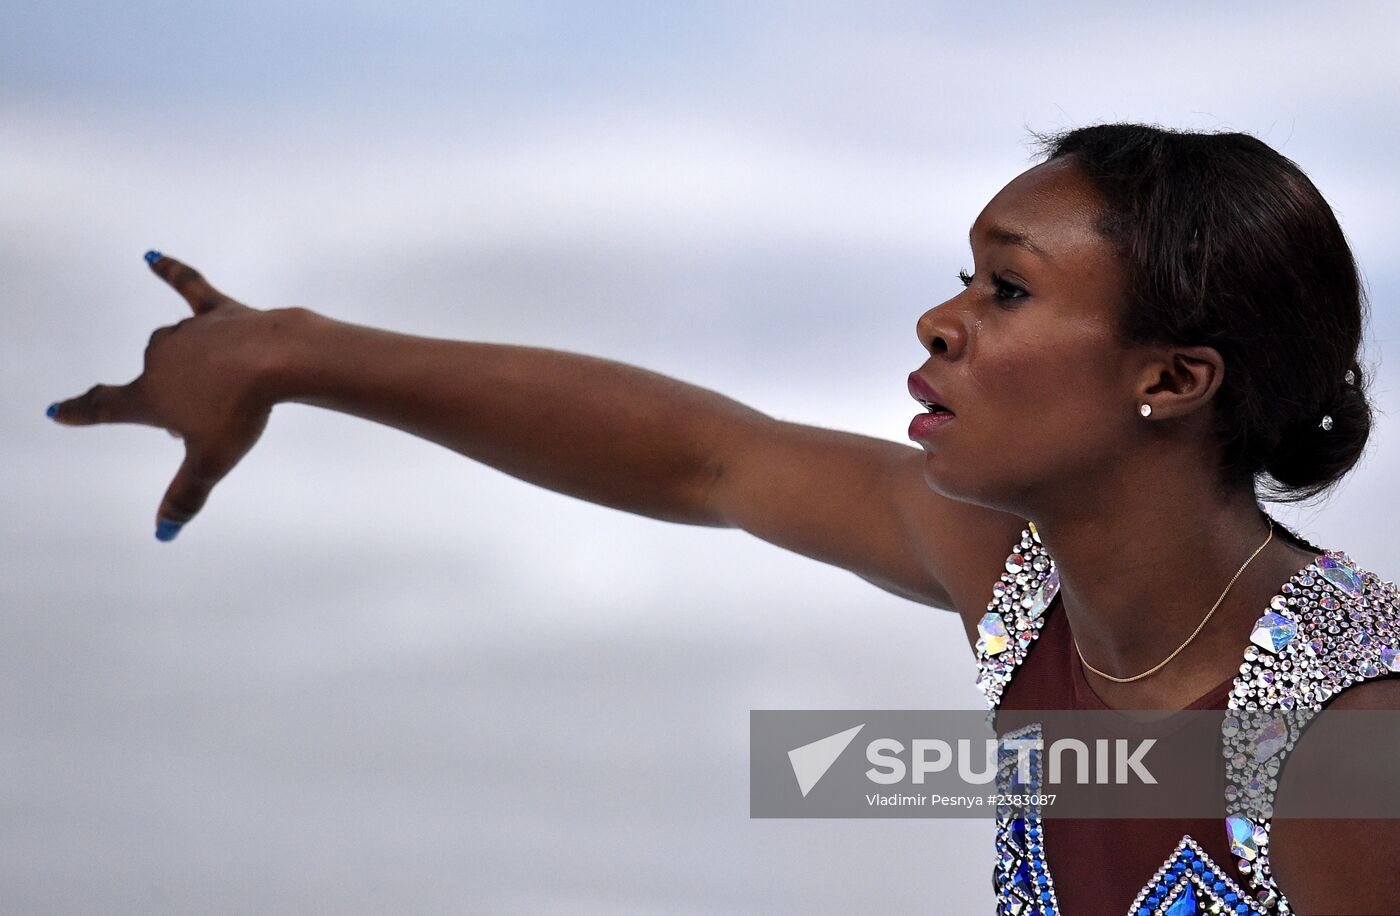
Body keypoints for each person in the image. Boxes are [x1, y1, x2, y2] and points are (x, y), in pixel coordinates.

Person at [47, 122, 1400, 914]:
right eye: (962, 278)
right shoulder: (1030, 580)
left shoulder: (1350, 746)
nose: (940, 321)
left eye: (1007, 293)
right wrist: (299, 351)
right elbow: (709, 460)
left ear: (1170, 379)